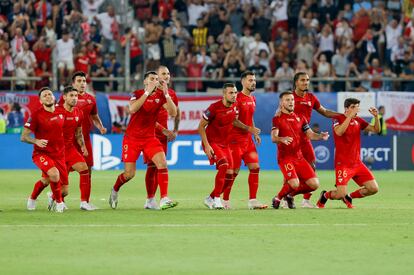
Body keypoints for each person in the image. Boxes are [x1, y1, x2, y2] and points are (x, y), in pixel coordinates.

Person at [109, 71, 178, 210]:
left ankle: (164, 198)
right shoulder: (138, 93)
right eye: (152, 79)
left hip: (149, 138)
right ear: (145, 82)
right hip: (132, 139)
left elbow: (173, 112)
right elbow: (133, 109)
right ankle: (115, 189)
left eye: (157, 79)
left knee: (162, 163)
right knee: (129, 174)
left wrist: (166, 93)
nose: (155, 81)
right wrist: (147, 93)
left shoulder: (160, 95)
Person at [198, 83, 257, 210]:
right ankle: (217, 200)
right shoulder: (214, 108)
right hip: (212, 142)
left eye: (235, 93)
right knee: (224, 166)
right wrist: (207, 146)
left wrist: (249, 129)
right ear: (224, 94)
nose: (234, 95)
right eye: (231, 93)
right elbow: (201, 126)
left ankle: (210, 198)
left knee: (230, 176)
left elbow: (234, 121)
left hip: (226, 143)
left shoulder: (235, 106)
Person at [317, 98, 380, 209]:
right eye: (353, 107)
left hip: (357, 163)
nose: (355, 110)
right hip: (343, 164)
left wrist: (376, 117)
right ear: (346, 108)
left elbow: (376, 130)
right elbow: (339, 132)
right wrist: (349, 117)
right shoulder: (338, 118)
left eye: (357, 107)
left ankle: (349, 197)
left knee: (373, 188)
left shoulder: (359, 120)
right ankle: (325, 195)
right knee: (340, 194)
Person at [271, 91, 329, 209]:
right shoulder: (277, 118)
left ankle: (289, 195)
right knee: (294, 183)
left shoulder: (300, 117)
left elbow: (310, 134)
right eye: (287, 100)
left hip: (299, 157)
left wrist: (320, 136)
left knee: (314, 184)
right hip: (285, 157)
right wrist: (281, 139)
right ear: (281, 103)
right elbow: (273, 137)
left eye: (292, 100)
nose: (291, 102)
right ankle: (278, 197)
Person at [291, 72, 340, 208]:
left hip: (306, 138)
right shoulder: (290, 98)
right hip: (292, 140)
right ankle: (286, 198)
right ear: (296, 82)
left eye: (307, 80)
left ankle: (306, 200)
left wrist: (342, 115)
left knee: (312, 168)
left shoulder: (311, 97)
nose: (306, 82)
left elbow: (324, 111)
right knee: (291, 171)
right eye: (302, 80)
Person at [221, 71, 267, 210]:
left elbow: (249, 116)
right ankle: (224, 200)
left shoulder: (253, 99)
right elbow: (233, 120)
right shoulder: (237, 98)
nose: (253, 82)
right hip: (234, 140)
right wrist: (249, 129)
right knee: (233, 172)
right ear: (243, 82)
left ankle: (252, 201)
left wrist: (254, 132)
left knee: (255, 168)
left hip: (248, 140)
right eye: (250, 80)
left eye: (254, 80)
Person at [22, 87, 66, 213]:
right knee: (54, 174)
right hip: (41, 153)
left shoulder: (61, 112)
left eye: (50, 94)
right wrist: (36, 141)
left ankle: (32, 198)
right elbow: (23, 137)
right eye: (44, 95)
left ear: (54, 97)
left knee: (47, 180)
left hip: (59, 153)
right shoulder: (36, 115)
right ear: (41, 101)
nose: (48, 96)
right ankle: (59, 203)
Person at [143, 66, 180, 210]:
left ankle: (153, 200)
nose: (167, 76)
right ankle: (154, 198)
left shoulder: (171, 94)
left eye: (168, 73)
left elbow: (177, 112)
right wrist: (163, 129)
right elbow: (147, 118)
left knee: (158, 167)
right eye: (163, 73)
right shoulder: (149, 93)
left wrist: (175, 129)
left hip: (163, 136)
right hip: (149, 135)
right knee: (153, 167)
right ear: (156, 77)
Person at [57, 86, 96, 210]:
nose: (74, 98)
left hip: (70, 148)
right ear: (64, 97)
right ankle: (57, 199)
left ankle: (84, 202)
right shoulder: (56, 111)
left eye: (76, 96)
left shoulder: (79, 112)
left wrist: (83, 146)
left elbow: (78, 133)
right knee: (54, 181)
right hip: (57, 150)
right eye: (71, 96)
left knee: (84, 169)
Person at [64, 71, 107, 178]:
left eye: (84, 81)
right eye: (79, 81)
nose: (82, 83)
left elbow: (94, 117)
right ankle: (56, 193)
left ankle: (86, 194)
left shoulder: (91, 99)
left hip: (85, 138)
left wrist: (100, 127)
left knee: (88, 167)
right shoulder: (66, 98)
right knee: (65, 168)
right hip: (69, 140)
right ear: (73, 84)